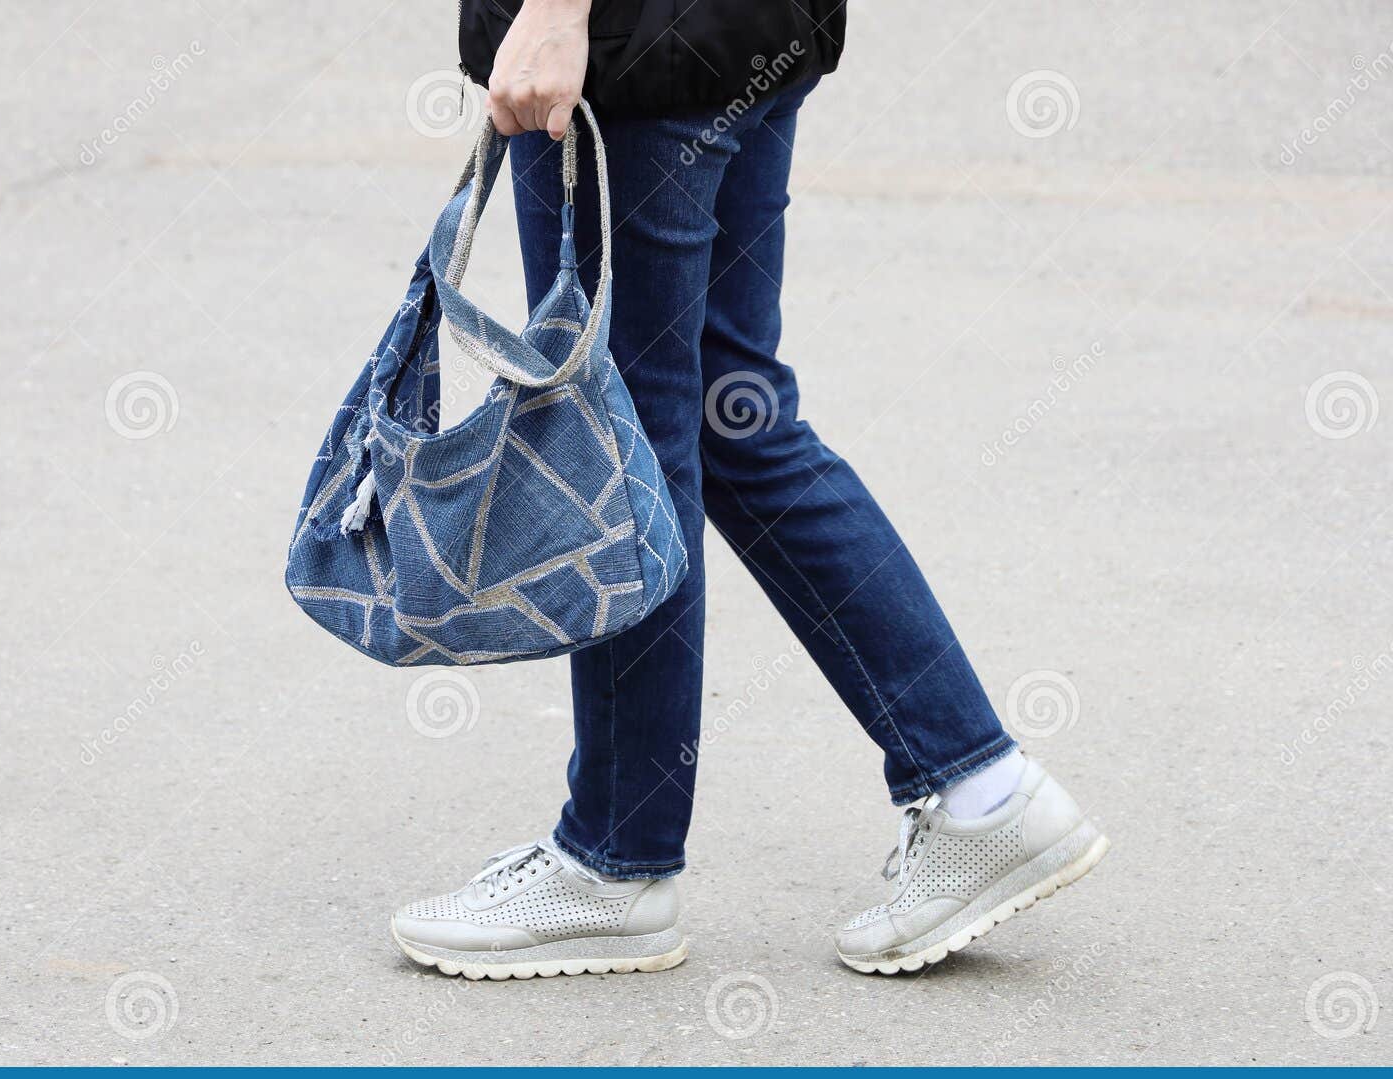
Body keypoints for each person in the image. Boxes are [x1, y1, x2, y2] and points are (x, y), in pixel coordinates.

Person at [390, 0, 1108, 979]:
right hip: (741, 29)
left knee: (629, 437)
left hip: (632, 50)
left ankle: (614, 858)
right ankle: (982, 788)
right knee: (733, 423)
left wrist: (557, 10)